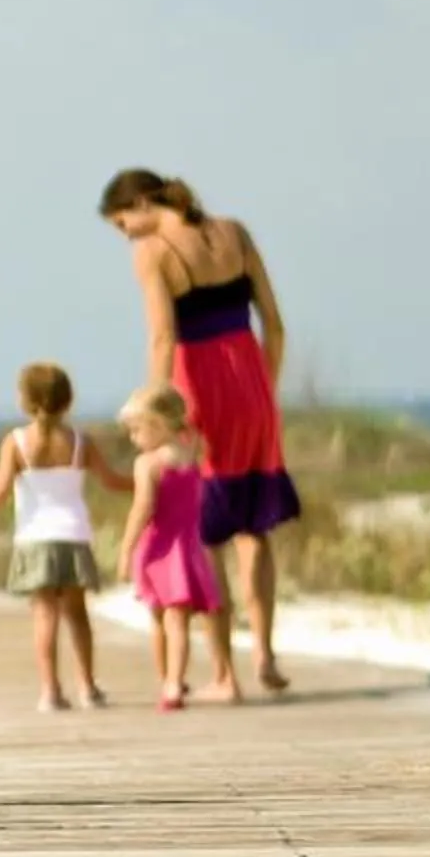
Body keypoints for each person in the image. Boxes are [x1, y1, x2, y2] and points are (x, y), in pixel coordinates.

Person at [98, 169, 300, 693]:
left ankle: (224, 672)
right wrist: (264, 390)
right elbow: (274, 325)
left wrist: (155, 411)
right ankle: (265, 655)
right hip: (252, 384)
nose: (128, 237)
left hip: (197, 391)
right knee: (255, 529)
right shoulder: (235, 232)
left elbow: (163, 338)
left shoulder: (154, 252)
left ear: (142, 203)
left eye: (125, 224)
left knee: (204, 531)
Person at [0, 362, 129, 713]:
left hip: (34, 539)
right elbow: (110, 480)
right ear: (68, 400)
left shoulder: (16, 442)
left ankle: (50, 691)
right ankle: (88, 687)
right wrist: (145, 483)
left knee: (44, 615)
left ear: (24, 401)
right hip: (73, 536)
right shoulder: (80, 442)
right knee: (77, 615)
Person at [117, 384, 239, 710]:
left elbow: (143, 508)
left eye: (137, 430)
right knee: (179, 619)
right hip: (190, 547)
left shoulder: (148, 463)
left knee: (162, 619)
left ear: (157, 425)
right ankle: (174, 679)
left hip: (160, 548)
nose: (133, 438)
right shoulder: (191, 454)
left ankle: (170, 683)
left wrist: (126, 548)